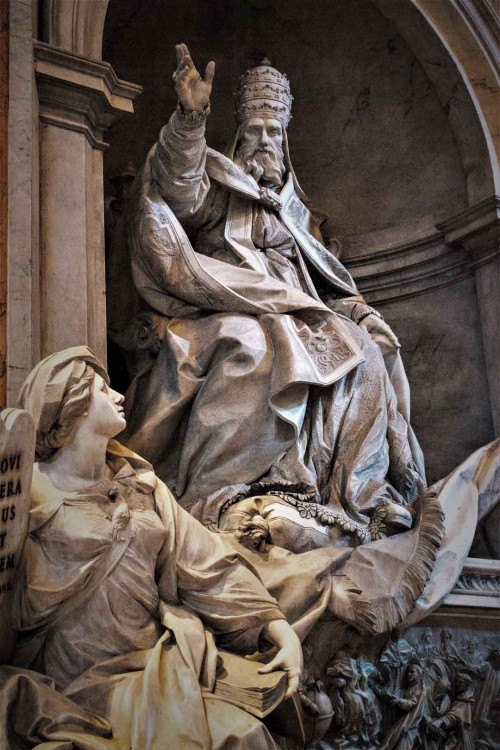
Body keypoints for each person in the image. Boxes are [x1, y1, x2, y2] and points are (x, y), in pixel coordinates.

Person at [115, 43, 426, 543]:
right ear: (238, 134)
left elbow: (323, 286)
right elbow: (179, 191)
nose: (264, 141)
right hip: (220, 303)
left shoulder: (294, 211)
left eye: (274, 132)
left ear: (286, 140)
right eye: (255, 131)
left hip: (300, 314)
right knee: (254, 347)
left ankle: (362, 498)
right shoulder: (218, 182)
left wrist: (361, 312)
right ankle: (226, 491)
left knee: (366, 353)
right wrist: (189, 121)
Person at [1, 346, 302, 750]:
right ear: (70, 402)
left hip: (154, 665)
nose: (120, 396)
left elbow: (206, 565)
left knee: (245, 734)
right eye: (102, 389)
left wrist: (276, 627)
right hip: (72, 683)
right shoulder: (25, 496)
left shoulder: (141, 485)